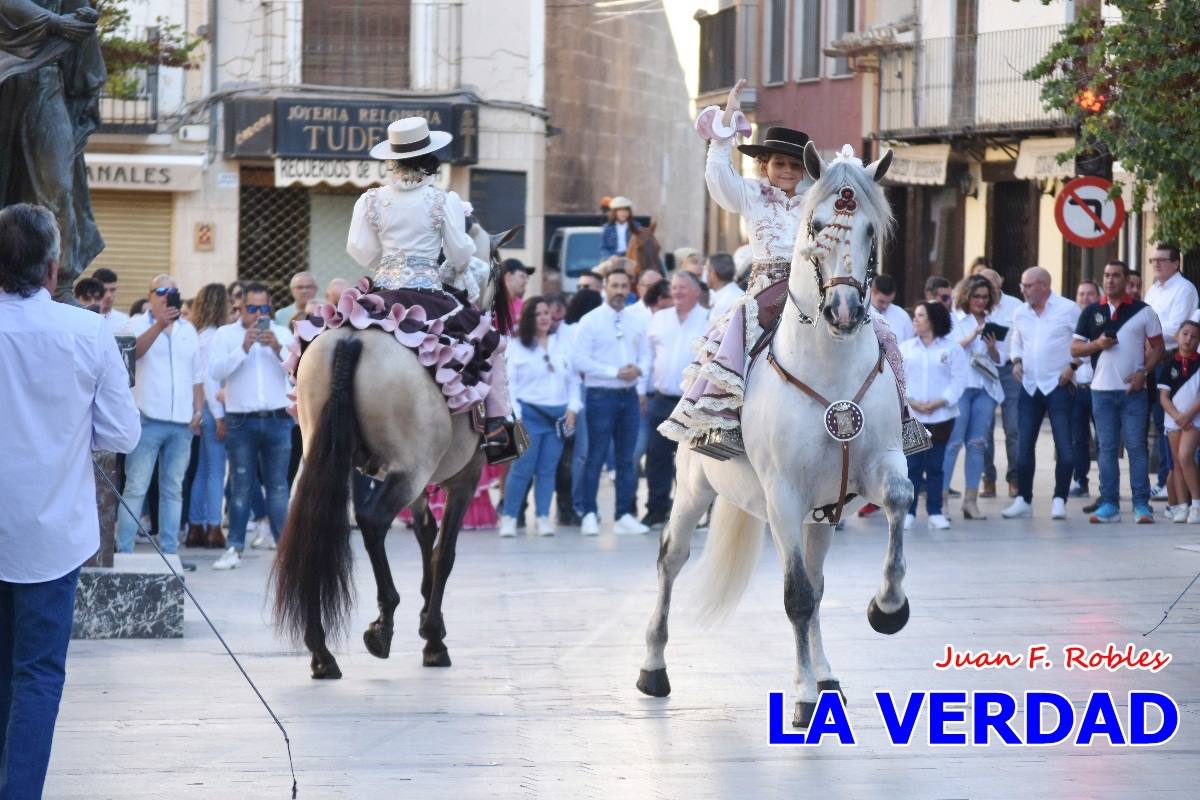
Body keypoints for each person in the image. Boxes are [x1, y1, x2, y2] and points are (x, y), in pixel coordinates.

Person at [0, 203, 140, 798]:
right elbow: (120, 435)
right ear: (54, 270)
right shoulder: (87, 331)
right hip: (51, 534)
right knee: (36, 675)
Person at [331, 117, 516, 459]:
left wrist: (386, 266)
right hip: (427, 294)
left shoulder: (369, 200)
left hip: (381, 293)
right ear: (431, 158)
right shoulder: (442, 200)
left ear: (393, 159)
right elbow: (461, 252)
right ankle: (496, 426)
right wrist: (438, 265)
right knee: (488, 344)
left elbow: (357, 248)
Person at [115, 275, 204, 565]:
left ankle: (170, 552)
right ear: (150, 294)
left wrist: (198, 410)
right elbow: (134, 355)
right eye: (162, 291)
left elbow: (197, 376)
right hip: (147, 419)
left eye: (174, 291)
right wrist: (160, 325)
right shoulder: (135, 325)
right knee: (136, 486)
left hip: (181, 423)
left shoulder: (189, 329)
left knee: (173, 488)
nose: (168, 296)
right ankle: (124, 550)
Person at [208, 283, 295, 569]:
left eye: (264, 309)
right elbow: (216, 371)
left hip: (277, 418)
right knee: (241, 485)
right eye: (252, 308)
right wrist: (243, 347)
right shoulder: (225, 334)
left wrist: (278, 349)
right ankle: (234, 547)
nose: (258, 314)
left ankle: (285, 549)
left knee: (279, 486)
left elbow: (298, 371)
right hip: (241, 420)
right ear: (240, 308)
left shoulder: (282, 334)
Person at [1072, 260, 1165, 524]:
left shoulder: (1143, 311)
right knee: (1107, 448)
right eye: (1106, 275)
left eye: (1116, 276)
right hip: (1100, 391)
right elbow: (1075, 349)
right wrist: (1098, 344)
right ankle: (1110, 503)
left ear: (1126, 280)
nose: (1110, 280)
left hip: (1131, 391)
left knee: (1136, 447)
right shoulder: (1091, 311)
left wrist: (1143, 372)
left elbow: (1158, 347)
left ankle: (1141, 505)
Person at [572, 269, 651, 535]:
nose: (619, 291)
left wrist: (638, 370)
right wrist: (613, 372)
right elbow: (580, 360)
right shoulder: (590, 321)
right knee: (595, 456)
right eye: (614, 285)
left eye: (623, 286)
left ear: (630, 289)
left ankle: (623, 514)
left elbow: (647, 355)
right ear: (605, 288)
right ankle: (589, 513)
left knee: (626, 459)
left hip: (627, 396)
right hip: (600, 395)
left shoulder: (637, 320)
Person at [1003, 267, 1080, 520]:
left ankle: (1060, 498)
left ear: (1044, 286)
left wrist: (1073, 366)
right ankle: (1024, 498)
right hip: (1030, 385)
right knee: (1024, 445)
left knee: (1064, 446)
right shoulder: (1020, 312)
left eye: (1028, 285)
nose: (1023, 290)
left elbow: (1082, 341)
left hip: (1059, 384)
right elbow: (1016, 340)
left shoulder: (1068, 308)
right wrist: (1016, 360)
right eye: (1022, 285)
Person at [498, 297, 580, 536]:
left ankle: (543, 516)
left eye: (546, 312)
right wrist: (517, 418)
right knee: (522, 468)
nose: (544, 317)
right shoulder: (516, 346)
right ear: (528, 319)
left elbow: (574, 380)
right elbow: (508, 386)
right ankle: (510, 517)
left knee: (548, 469)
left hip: (558, 417)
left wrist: (573, 408)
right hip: (529, 415)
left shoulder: (562, 344)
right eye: (538, 313)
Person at [643, 271, 710, 528]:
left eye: (683, 287)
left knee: (694, 460)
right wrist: (642, 391)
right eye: (674, 287)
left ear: (697, 291)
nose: (677, 292)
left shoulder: (708, 319)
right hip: (661, 400)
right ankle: (656, 509)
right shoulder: (659, 318)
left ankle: (692, 514)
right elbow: (647, 357)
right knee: (657, 456)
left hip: (693, 402)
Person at [942, 275, 1005, 520]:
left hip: (985, 388)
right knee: (953, 444)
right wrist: (972, 336)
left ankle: (970, 501)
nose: (980, 301)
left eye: (985, 297)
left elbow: (1000, 360)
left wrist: (991, 346)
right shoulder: (952, 320)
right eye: (976, 296)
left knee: (978, 444)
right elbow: (947, 352)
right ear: (967, 296)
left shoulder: (994, 321)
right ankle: (942, 499)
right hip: (961, 388)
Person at [901, 301, 966, 530]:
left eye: (920, 316)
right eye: (915, 316)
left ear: (933, 320)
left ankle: (935, 512)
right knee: (912, 466)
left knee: (936, 466)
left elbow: (959, 380)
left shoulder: (952, 348)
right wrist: (912, 402)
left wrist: (940, 401)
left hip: (942, 416)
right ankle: (908, 512)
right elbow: (898, 380)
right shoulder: (906, 348)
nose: (915, 320)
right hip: (912, 416)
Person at [1143, 244, 1198, 500]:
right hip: (1153, 357)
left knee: (1175, 423)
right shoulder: (1154, 289)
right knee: (1160, 422)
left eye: (1162, 260)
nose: (1156, 264)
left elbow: (1176, 329)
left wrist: (1148, 339)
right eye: (1154, 260)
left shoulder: (1184, 289)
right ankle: (1167, 479)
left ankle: (1174, 485)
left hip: (1172, 361)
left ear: (1176, 263)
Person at [184, 284, 230, 550]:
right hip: (214, 410)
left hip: (199, 410)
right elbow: (211, 381)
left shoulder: (197, 335)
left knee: (202, 470)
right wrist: (220, 415)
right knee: (215, 471)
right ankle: (213, 526)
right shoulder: (216, 337)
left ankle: (195, 526)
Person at [556, 287, 604, 525]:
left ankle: (572, 504)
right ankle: (579, 504)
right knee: (582, 453)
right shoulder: (579, 329)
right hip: (582, 392)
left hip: (568, 394)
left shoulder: (565, 329)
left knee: (573, 454)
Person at [977, 267, 1023, 499]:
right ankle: (988, 478)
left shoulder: (1015, 305)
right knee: (984, 429)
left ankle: (1014, 478)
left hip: (1007, 370)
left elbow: (1020, 338)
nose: (989, 291)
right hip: (983, 371)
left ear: (1001, 282)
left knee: (1013, 428)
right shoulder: (975, 306)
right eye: (984, 286)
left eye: (992, 285)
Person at [1157, 320, 1200, 523]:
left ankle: (1196, 505)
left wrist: (1187, 415)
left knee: (1185, 456)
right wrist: (1177, 416)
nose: (1188, 339)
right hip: (1173, 420)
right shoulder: (1169, 364)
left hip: (1194, 420)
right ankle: (1181, 506)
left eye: (1193, 336)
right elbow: (1164, 397)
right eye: (1185, 334)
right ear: (1177, 335)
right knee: (1176, 464)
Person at [1070, 280, 1100, 499]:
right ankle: (1080, 480)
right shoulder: (1070, 320)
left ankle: (1106, 485)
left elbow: (1086, 351)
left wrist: (1076, 359)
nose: (1085, 298)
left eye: (1090, 294)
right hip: (1076, 388)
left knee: (1103, 439)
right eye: (1081, 294)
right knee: (1078, 438)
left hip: (1099, 386)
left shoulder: (1100, 319)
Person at [869, 273, 914, 341]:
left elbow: (910, 344)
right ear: (871, 291)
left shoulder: (902, 316)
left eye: (889, 302)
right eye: (881, 301)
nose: (885, 306)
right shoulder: (860, 314)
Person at [705, 252, 744, 319]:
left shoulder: (724, 303)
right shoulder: (735, 293)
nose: (705, 275)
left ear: (713, 272)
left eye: (707, 270)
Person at [91, 268, 129, 335]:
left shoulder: (125, 321)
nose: (108, 295)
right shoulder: (83, 318)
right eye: (104, 290)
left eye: (112, 290)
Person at [503, 258, 535, 333]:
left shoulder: (523, 306)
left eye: (527, 277)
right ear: (508, 276)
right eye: (522, 276)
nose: (526, 281)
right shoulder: (492, 304)